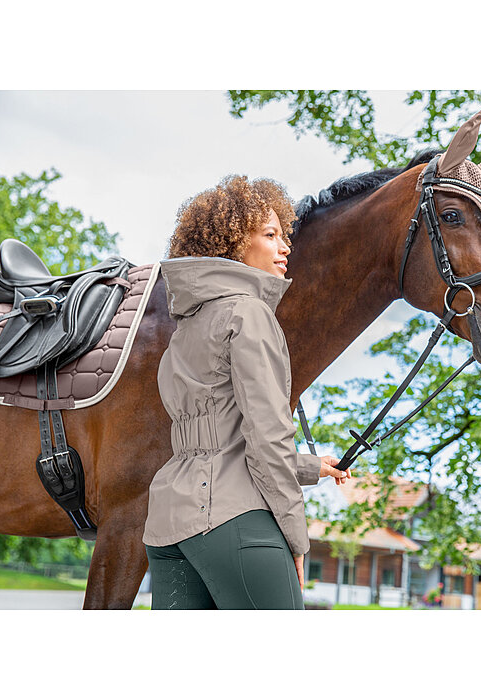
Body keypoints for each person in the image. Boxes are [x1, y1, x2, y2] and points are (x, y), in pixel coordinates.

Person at [142, 174, 350, 609]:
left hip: (168, 525)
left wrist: (312, 466)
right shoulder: (249, 313)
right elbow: (267, 438)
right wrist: (296, 536)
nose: (286, 247)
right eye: (270, 234)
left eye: (284, 235)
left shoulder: (188, 327)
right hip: (234, 521)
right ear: (234, 244)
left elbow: (220, 438)